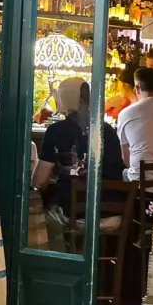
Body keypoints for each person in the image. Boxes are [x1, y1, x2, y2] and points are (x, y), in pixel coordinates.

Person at [33, 79, 127, 249]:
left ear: (62, 99)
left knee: (44, 216)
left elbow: (38, 182)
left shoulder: (57, 131)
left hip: (78, 216)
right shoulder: (109, 130)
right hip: (114, 216)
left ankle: (61, 265)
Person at [116, 67, 153, 182]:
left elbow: (126, 159)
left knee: (123, 173)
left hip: (138, 185)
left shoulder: (126, 114)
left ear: (137, 88)